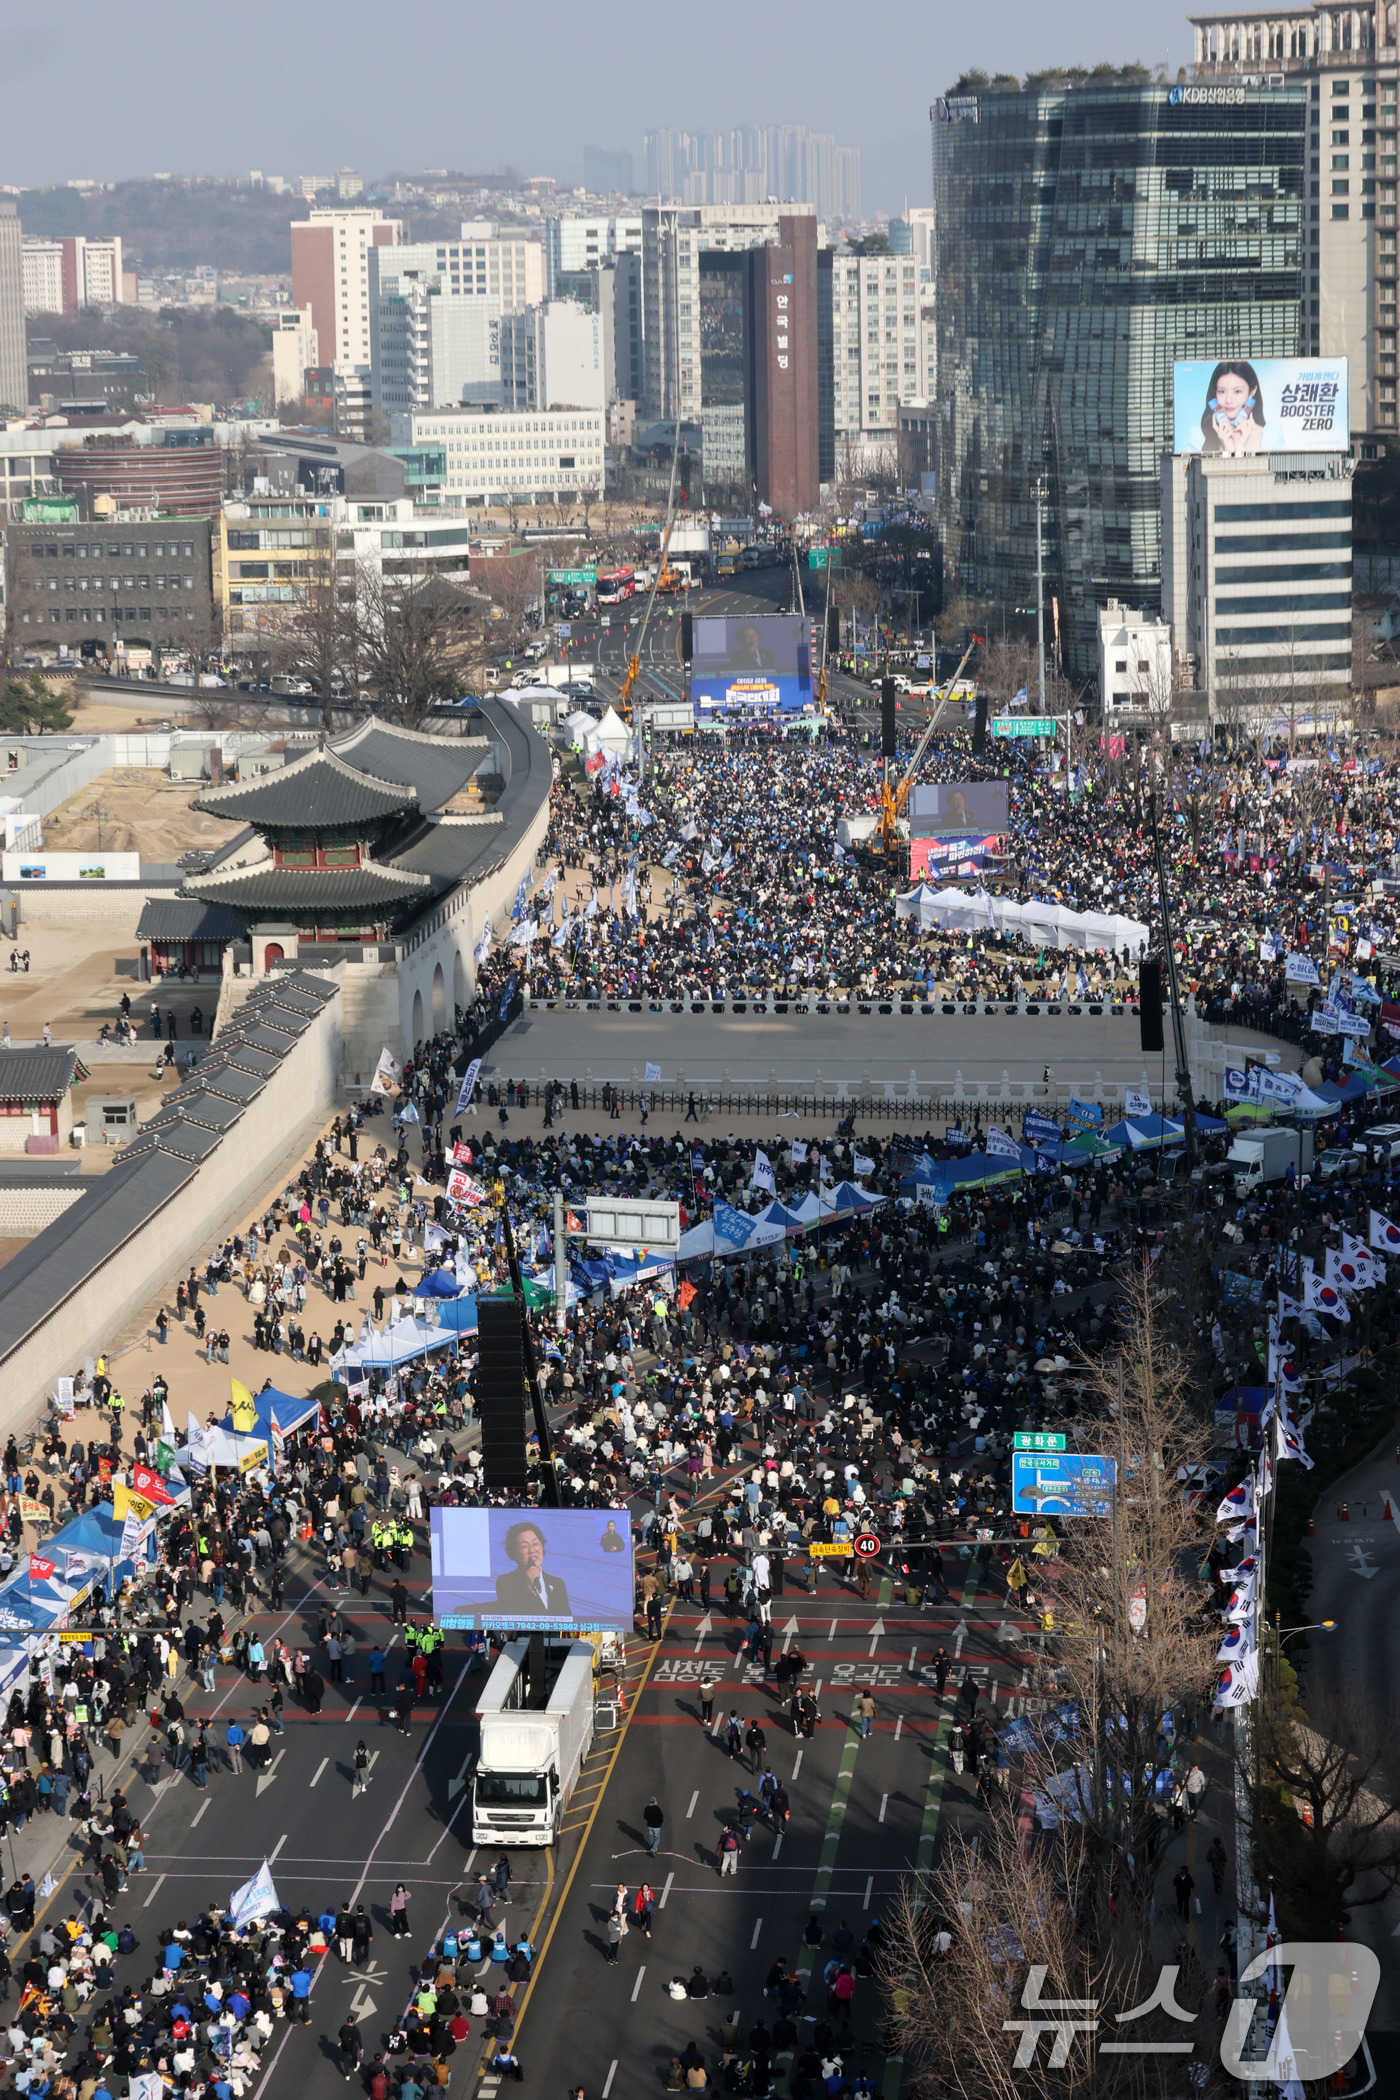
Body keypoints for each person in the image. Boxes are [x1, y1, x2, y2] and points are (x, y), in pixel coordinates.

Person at [494, 1519, 571, 1616]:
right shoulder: (505, 1581)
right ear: (513, 1552)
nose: (532, 1550)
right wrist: (529, 1587)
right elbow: (510, 1614)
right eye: (524, 1546)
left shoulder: (557, 1583)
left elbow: (567, 1618)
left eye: (535, 1544)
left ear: (542, 1547)